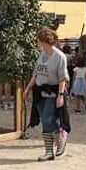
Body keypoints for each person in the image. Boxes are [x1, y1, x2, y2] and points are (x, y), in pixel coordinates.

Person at [23, 27, 69, 161]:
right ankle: (49, 151)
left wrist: (60, 95)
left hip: (53, 91)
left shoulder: (60, 56)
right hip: (40, 90)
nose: (37, 42)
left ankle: (61, 136)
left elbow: (62, 78)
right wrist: (28, 89)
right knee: (44, 119)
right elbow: (36, 73)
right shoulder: (42, 54)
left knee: (48, 118)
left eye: (38, 39)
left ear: (44, 40)